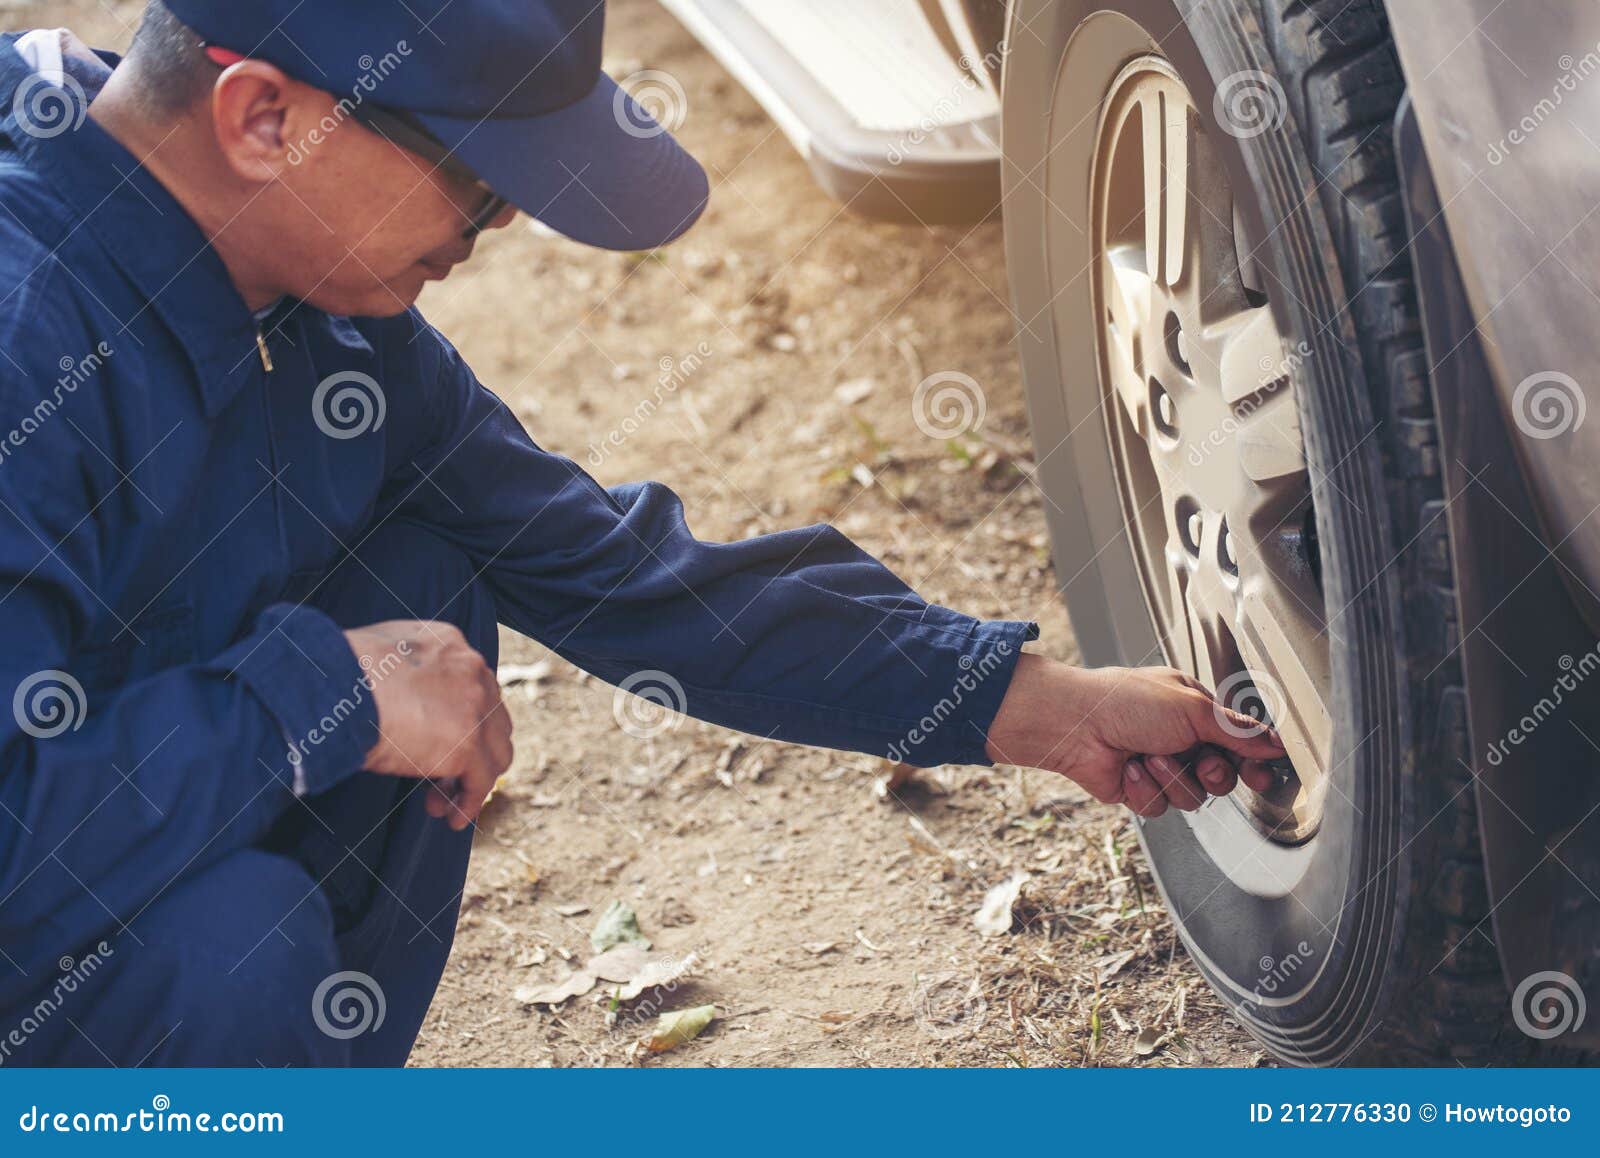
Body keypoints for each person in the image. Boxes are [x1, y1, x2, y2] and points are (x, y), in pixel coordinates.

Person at [0, 0, 1283, 1066]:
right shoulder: (27, 336)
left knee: (424, 578)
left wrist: (1037, 705)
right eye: (477, 180)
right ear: (265, 117)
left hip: (99, 848)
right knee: (231, 947)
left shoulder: (313, 316)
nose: (490, 231)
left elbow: (619, 575)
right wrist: (312, 701)